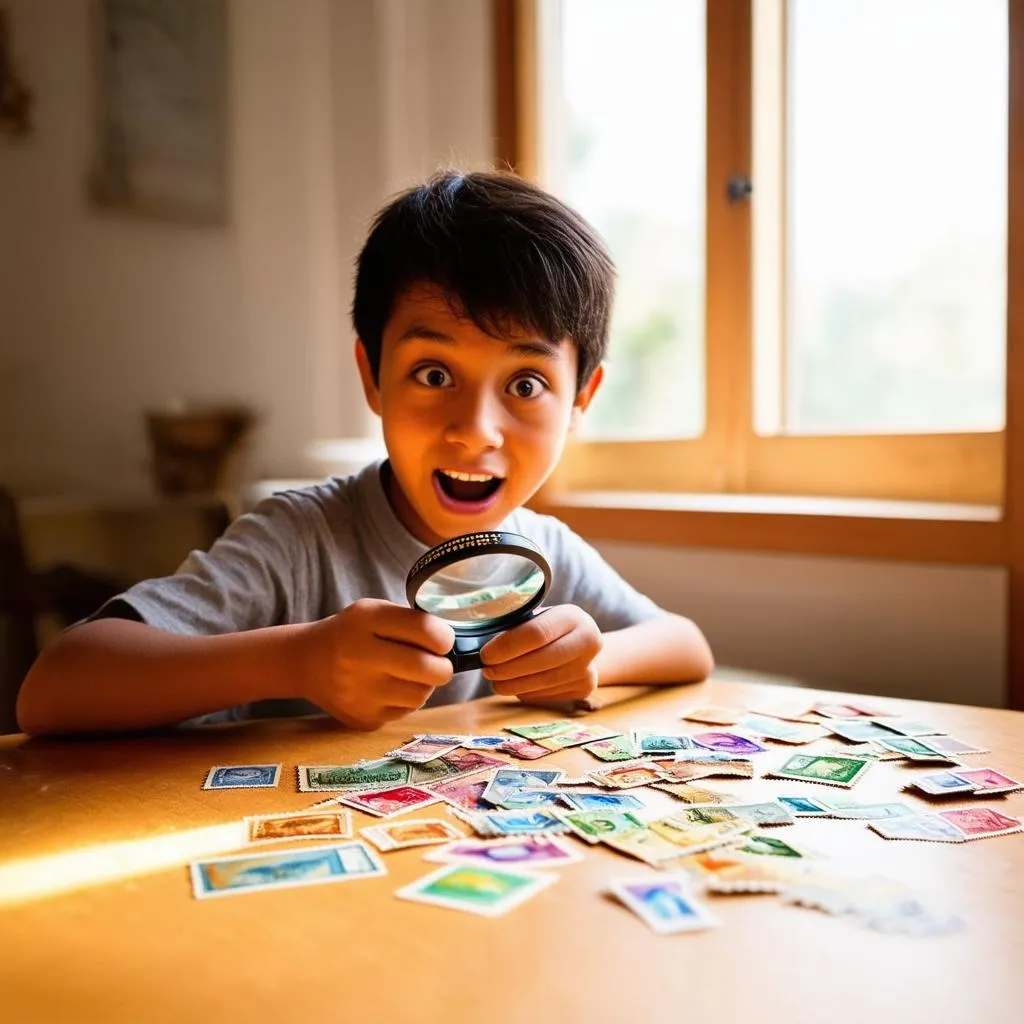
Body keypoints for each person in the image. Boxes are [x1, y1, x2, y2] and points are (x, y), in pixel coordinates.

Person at [17, 170, 714, 737]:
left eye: (526, 384)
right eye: (434, 375)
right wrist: (293, 660)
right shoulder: (297, 539)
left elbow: (687, 647)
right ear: (373, 376)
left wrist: (595, 661)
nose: (474, 431)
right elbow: (54, 689)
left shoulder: (547, 551)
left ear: (581, 399)